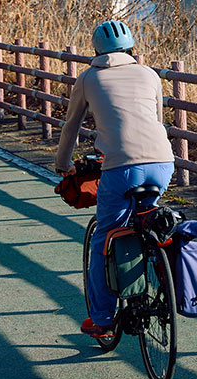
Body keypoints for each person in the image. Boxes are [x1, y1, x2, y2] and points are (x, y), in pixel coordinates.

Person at [55, 20, 175, 339]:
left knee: (105, 236)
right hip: (162, 163)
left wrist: (62, 164)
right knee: (146, 219)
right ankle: (161, 280)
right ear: (132, 49)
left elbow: (71, 127)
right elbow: (156, 121)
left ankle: (103, 317)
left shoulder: (89, 78)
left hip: (121, 168)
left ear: (96, 51)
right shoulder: (150, 75)